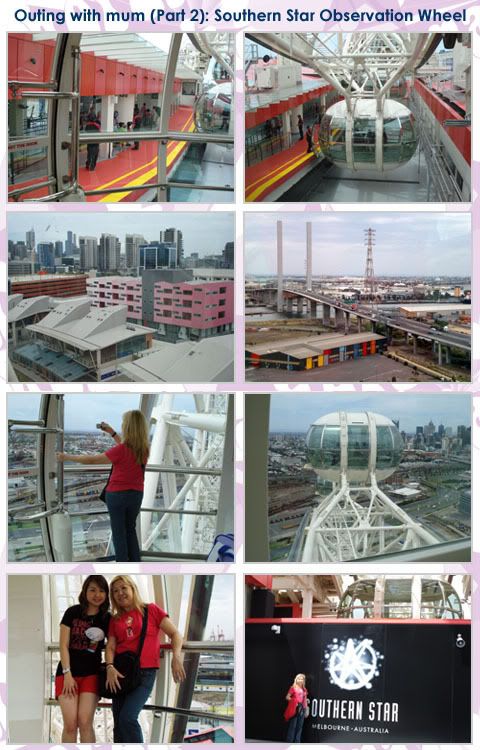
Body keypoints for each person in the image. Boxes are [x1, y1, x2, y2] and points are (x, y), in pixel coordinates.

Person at [57, 410, 150, 562]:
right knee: (130, 530)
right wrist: (112, 432)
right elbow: (127, 448)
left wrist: (66, 457)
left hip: (117, 495)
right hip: (136, 495)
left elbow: (93, 460)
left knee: (119, 533)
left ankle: (122, 564)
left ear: (127, 427)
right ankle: (135, 563)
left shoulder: (120, 450)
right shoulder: (144, 449)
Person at [105, 575, 186, 742]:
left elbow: (175, 634)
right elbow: (111, 646)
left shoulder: (151, 610)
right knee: (118, 723)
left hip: (145, 673)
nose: (120, 593)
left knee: (128, 718)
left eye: (123, 588)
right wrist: (110, 667)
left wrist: (176, 657)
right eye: (115, 591)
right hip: (120, 673)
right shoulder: (115, 620)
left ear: (133, 589)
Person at [55, 575, 110, 743]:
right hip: (67, 673)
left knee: (85, 723)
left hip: (91, 674)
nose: (97, 594)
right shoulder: (72, 612)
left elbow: (114, 645)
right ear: (85, 591)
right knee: (70, 725)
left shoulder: (107, 619)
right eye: (92, 589)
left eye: (102, 590)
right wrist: (67, 674)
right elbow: (63, 645)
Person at [284, 674, 308, 743]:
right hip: (295, 708)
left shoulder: (304, 689)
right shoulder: (293, 687)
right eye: (299, 678)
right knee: (293, 726)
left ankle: (297, 741)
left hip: (302, 709)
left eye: (302, 679)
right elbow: (287, 697)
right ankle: (289, 741)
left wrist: (305, 709)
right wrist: (294, 702)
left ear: (304, 681)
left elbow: (305, 699)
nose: (300, 680)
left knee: (300, 726)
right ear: (296, 679)